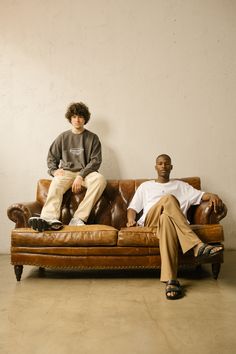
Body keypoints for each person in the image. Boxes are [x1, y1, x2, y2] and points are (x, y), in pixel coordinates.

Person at [126, 154, 224, 300]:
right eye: (160, 163)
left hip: (170, 223)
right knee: (169, 198)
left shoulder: (182, 186)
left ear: (171, 167)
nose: (163, 166)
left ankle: (171, 280)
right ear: (155, 167)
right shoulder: (146, 186)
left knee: (166, 219)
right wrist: (130, 220)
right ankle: (196, 246)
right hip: (151, 221)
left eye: (166, 164)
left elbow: (203, 196)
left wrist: (213, 195)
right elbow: (132, 208)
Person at [29, 102, 107, 231]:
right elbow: (51, 157)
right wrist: (54, 171)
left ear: (85, 119)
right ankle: (48, 218)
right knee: (57, 181)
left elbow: (96, 161)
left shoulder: (93, 138)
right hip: (67, 172)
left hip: (86, 173)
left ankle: (78, 218)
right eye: (74, 116)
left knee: (100, 180)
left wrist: (81, 176)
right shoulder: (63, 137)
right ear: (70, 118)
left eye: (80, 116)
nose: (77, 120)